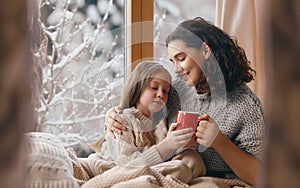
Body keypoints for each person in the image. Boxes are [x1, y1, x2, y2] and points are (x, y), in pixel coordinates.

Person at [105, 17, 265, 187]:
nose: (176, 69)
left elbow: (263, 176)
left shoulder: (246, 106)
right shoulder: (176, 90)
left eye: (181, 58)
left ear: (205, 50)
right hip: (168, 169)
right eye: (172, 62)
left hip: (211, 180)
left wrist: (220, 142)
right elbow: (143, 109)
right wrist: (115, 114)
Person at [74, 61, 206, 185]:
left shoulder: (160, 125)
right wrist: (167, 146)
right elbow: (127, 164)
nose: (160, 94)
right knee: (180, 168)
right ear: (138, 88)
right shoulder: (123, 119)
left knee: (192, 158)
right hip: (106, 170)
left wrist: (179, 143)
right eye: (154, 87)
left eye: (165, 91)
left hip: (141, 172)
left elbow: (159, 160)